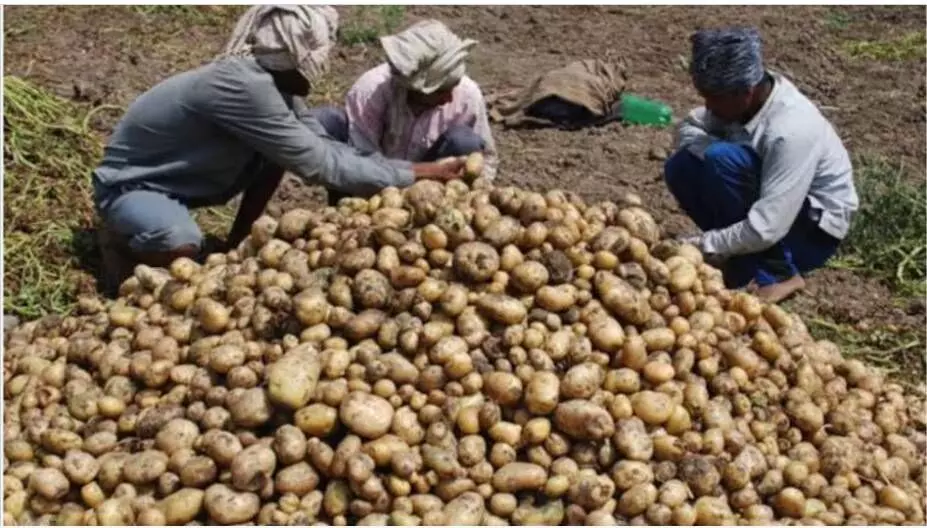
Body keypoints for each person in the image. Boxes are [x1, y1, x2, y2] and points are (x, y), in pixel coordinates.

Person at [92, 6, 465, 294]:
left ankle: (235, 243)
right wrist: (418, 173)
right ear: (297, 56)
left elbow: (323, 145)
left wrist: (401, 173)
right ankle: (121, 247)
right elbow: (319, 164)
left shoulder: (273, 86)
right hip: (132, 186)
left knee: (278, 151)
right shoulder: (243, 87)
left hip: (184, 184)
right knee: (179, 241)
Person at [663, 27, 858, 303]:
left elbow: (769, 226)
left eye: (714, 98)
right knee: (682, 166)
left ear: (746, 92)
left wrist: (704, 244)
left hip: (811, 234)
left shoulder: (790, 130)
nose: (708, 106)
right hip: (771, 210)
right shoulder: (736, 102)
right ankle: (740, 257)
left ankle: (779, 273)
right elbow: (689, 125)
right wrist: (706, 148)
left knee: (721, 159)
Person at [311, 19, 498, 205]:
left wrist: (481, 200)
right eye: (440, 91)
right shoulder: (371, 90)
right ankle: (341, 209)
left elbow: (487, 158)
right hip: (372, 182)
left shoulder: (467, 94)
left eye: (452, 88)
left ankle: (437, 214)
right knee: (325, 121)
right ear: (413, 88)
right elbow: (363, 162)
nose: (449, 98)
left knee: (464, 142)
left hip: (432, 192)